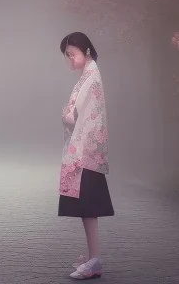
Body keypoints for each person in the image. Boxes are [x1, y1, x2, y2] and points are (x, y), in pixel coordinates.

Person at [58, 32, 114, 280]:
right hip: (86, 148)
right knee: (86, 208)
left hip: (86, 150)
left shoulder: (91, 79)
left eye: (72, 54)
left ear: (86, 51)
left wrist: (68, 116)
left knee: (88, 207)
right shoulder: (89, 74)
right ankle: (93, 255)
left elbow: (80, 115)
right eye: (67, 56)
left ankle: (95, 260)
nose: (70, 60)